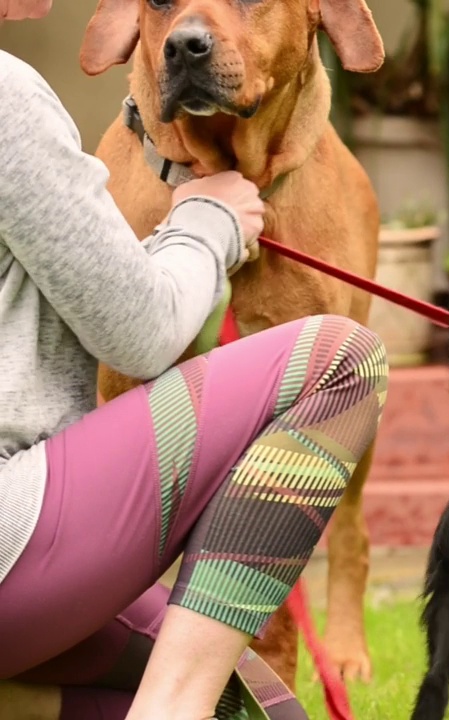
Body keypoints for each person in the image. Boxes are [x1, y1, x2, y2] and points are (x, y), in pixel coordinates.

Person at [0, 1, 389, 718]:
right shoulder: (10, 98)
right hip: (16, 544)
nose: (189, 30)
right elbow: (138, 339)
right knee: (345, 361)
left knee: (257, 709)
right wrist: (210, 221)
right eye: (160, 3)